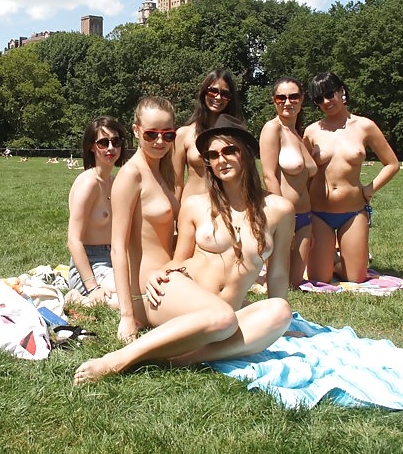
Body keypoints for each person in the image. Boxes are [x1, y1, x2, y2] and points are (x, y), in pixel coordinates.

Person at [74, 115, 293, 384]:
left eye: (229, 150)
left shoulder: (280, 211)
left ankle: (180, 359)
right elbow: (180, 259)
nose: (221, 160)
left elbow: (279, 273)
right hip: (178, 294)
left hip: (224, 312)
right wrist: (160, 272)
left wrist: (286, 328)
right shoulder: (196, 205)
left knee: (280, 312)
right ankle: (119, 359)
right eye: (213, 155)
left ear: (246, 152)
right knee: (223, 318)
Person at [303, 72, 399, 283]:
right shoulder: (311, 132)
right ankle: (331, 260)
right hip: (319, 213)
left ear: (342, 91)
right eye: (319, 99)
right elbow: (305, 174)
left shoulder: (365, 126)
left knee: (356, 279)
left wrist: (369, 189)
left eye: (330, 94)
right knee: (320, 279)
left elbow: (392, 164)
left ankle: (339, 262)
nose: (326, 102)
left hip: (353, 212)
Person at [109, 96, 180, 344]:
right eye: (151, 134)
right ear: (136, 130)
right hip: (148, 292)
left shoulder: (162, 171)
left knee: (239, 306)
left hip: (170, 276)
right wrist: (127, 315)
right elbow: (118, 247)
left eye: (167, 135)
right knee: (221, 316)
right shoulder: (131, 175)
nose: (160, 141)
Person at [260, 76, 317, 287]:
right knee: (283, 283)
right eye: (281, 97)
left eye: (293, 97)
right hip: (286, 217)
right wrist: (284, 218)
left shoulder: (296, 133)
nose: (287, 102)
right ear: (274, 100)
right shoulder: (272, 129)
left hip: (306, 217)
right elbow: (269, 176)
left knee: (295, 282)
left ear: (301, 100)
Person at [66, 116, 128, 305]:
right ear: (92, 146)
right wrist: (92, 287)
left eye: (115, 142)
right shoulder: (88, 183)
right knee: (125, 300)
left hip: (116, 258)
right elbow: (73, 240)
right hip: (90, 265)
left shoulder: (116, 182)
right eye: (103, 142)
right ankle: (78, 299)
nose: (110, 148)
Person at [172, 69, 244, 203]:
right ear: (203, 92)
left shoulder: (237, 133)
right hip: (193, 210)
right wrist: (174, 219)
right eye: (213, 91)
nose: (218, 97)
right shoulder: (184, 134)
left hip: (227, 207)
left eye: (225, 94)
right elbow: (176, 185)